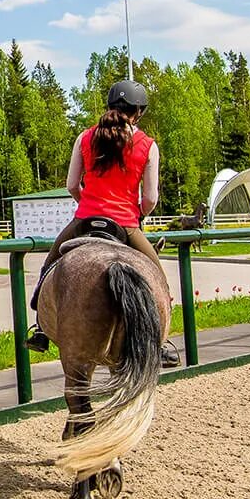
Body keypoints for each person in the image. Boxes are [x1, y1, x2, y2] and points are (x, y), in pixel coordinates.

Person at [27, 80, 178, 367]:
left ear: (109, 106)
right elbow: (150, 199)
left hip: (85, 218)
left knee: (49, 266)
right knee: (158, 277)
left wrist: (88, 202)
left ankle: (40, 328)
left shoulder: (84, 138)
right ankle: (159, 340)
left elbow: (72, 185)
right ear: (139, 112)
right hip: (126, 223)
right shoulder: (148, 145)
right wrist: (137, 213)